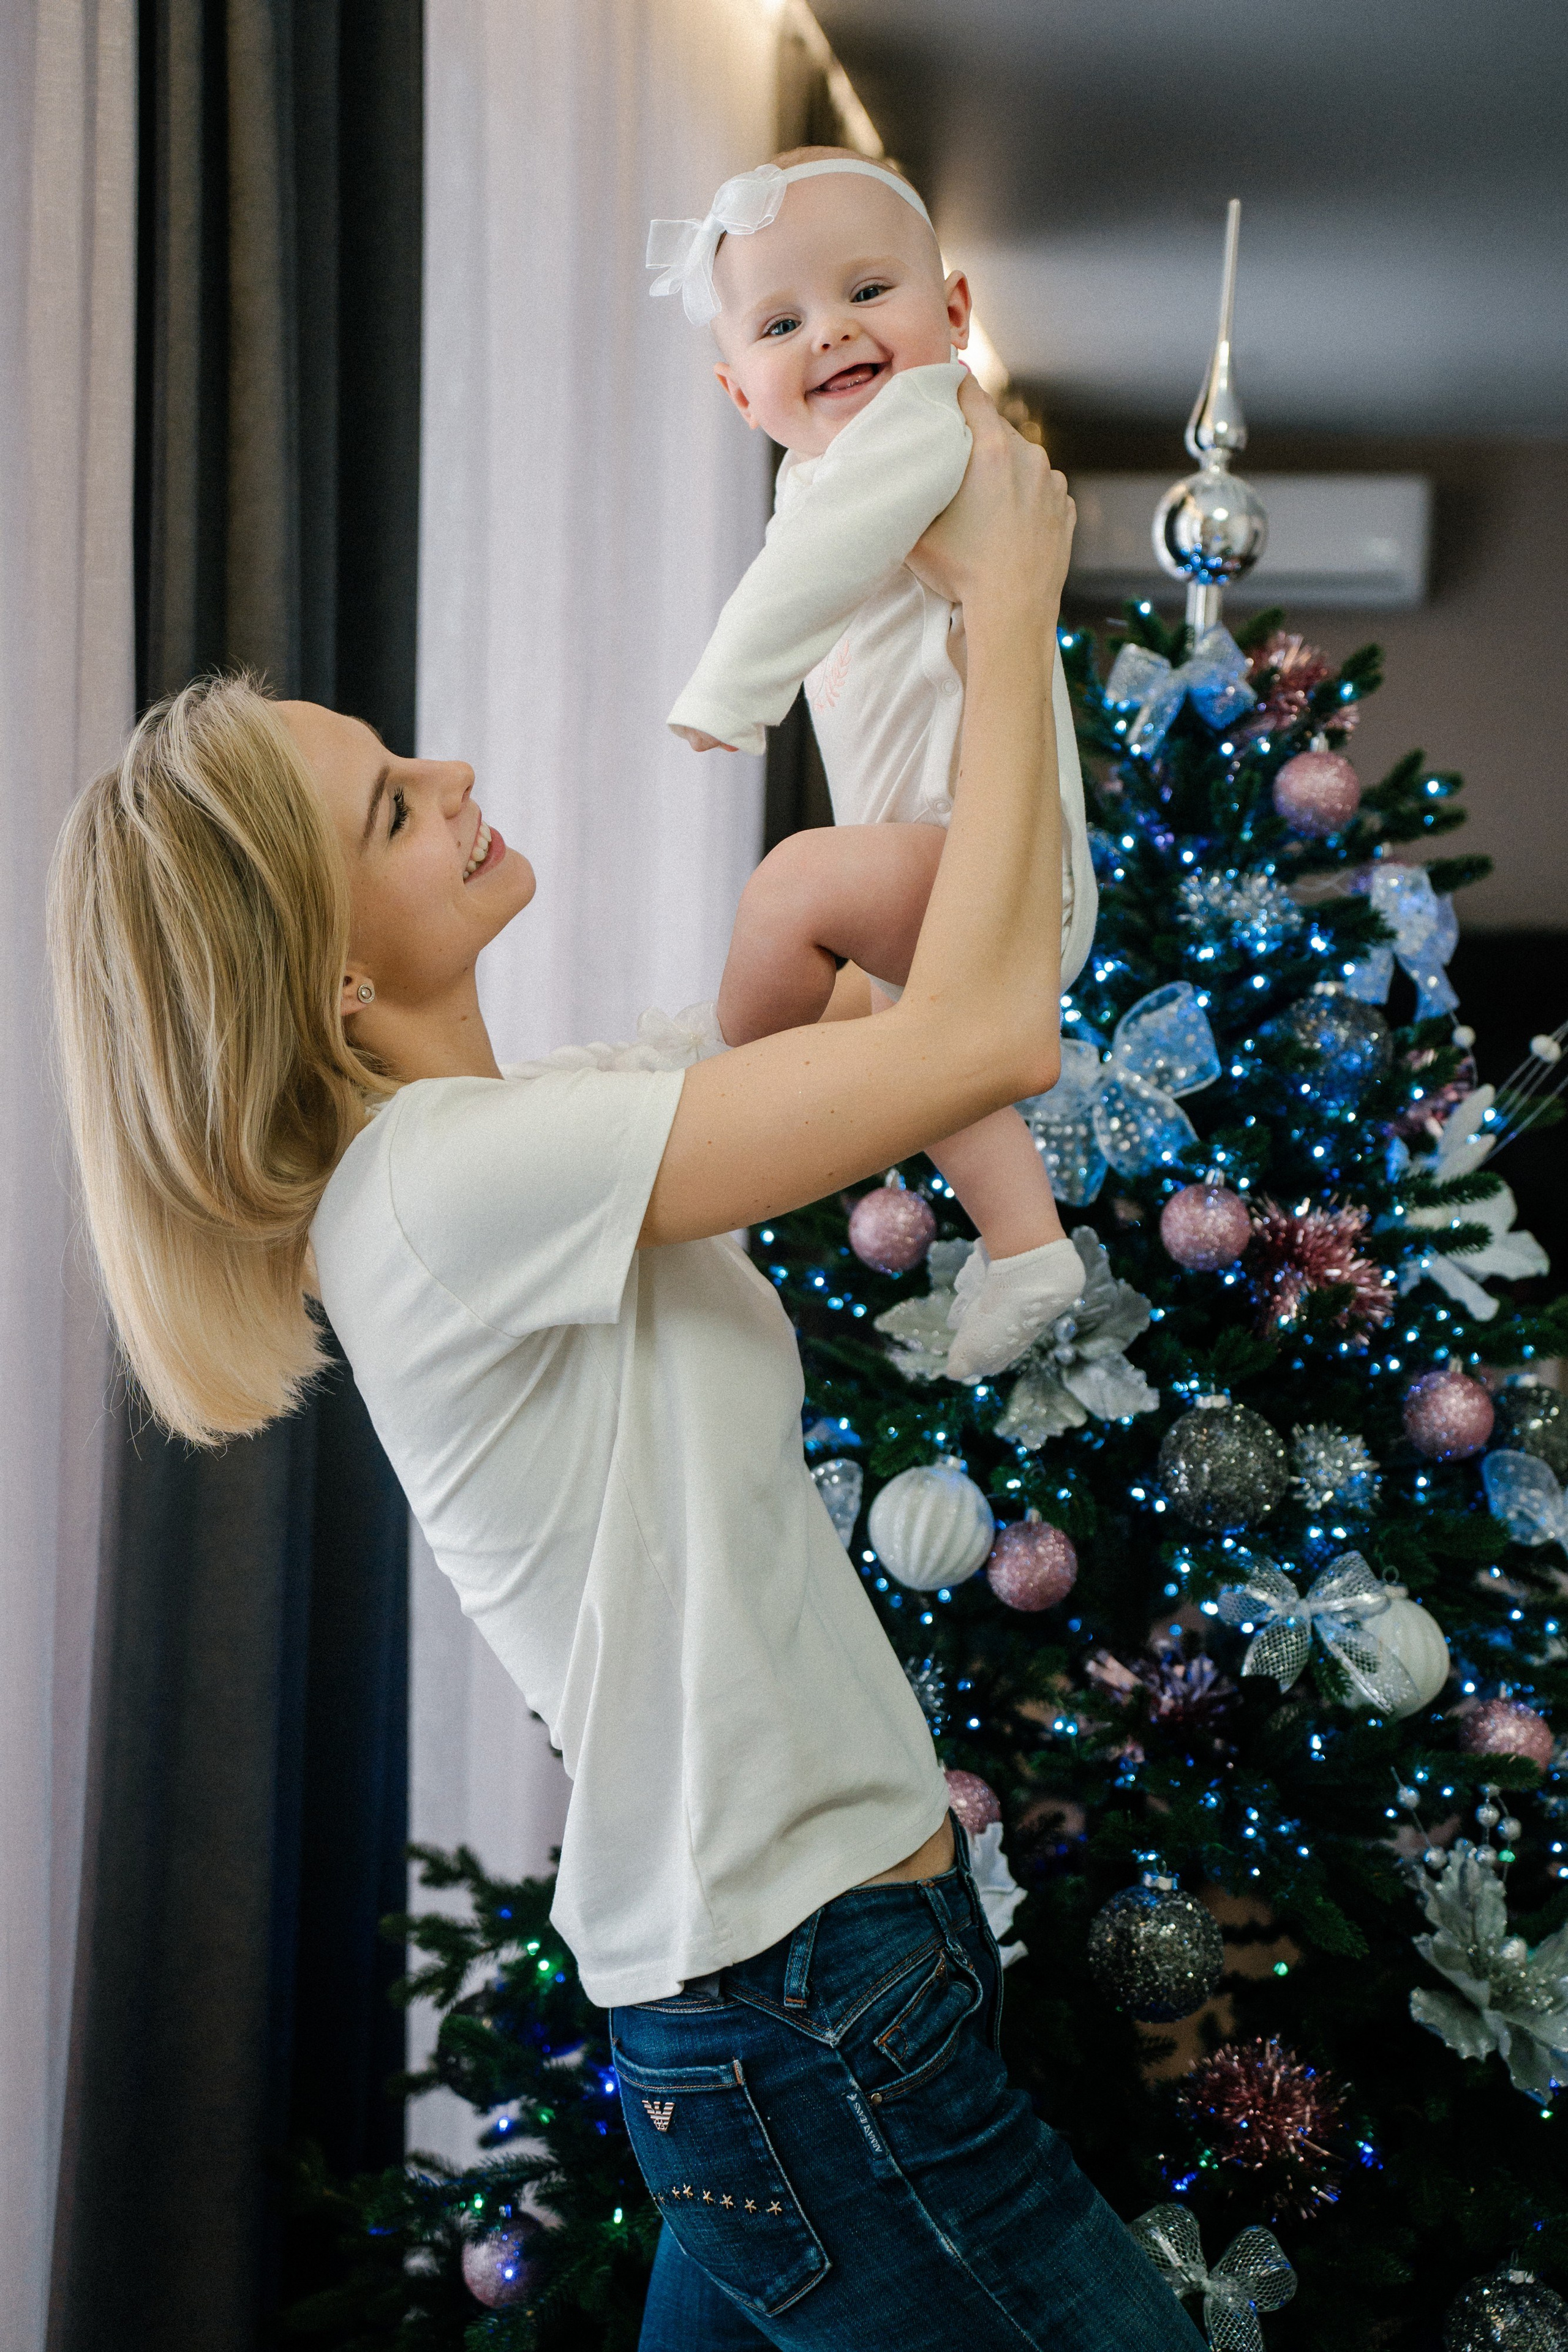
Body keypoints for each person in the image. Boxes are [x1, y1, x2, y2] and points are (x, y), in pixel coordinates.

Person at [49, 381, 1199, 2352]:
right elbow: (990, 1033)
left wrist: (877, 638)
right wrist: (1010, 613)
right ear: (330, 972)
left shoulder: (539, 1138)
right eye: (395, 805)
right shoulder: (443, 1188)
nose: (458, 771)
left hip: (800, 1993)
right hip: (809, 2010)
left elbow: (848, 1013)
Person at [650, 146, 1097, 1381]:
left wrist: (726, 696)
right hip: (956, 877)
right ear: (739, 391)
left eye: (866, 292)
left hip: (983, 863)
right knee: (925, 1063)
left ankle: (737, 1101)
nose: (832, 334)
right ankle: (1023, 1245)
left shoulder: (918, 424)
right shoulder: (819, 476)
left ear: (953, 313)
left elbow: (810, 576)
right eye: (782, 322)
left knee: (794, 887)